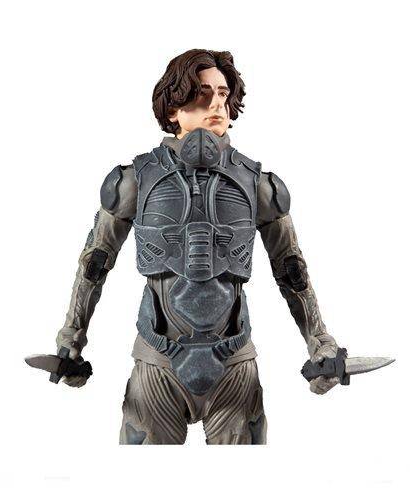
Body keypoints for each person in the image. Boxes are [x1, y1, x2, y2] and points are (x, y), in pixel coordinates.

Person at [53, 49, 341, 444]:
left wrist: (320, 344)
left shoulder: (257, 184)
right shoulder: (135, 180)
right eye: (203, 94)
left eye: (223, 94)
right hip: (157, 366)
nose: (217, 104)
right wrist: (70, 341)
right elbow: (95, 263)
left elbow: (292, 271)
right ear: (173, 108)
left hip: (234, 368)